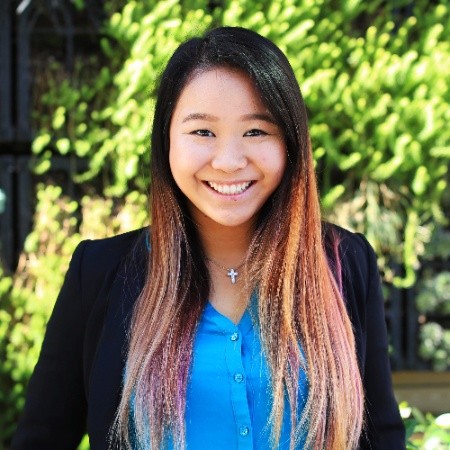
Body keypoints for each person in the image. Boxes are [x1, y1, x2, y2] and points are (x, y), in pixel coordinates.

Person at [12, 26, 405, 450]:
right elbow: (41, 438)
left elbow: (381, 436)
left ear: (290, 142)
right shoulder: (100, 272)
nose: (229, 161)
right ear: (166, 140)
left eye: (256, 131)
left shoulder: (345, 263)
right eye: (202, 132)